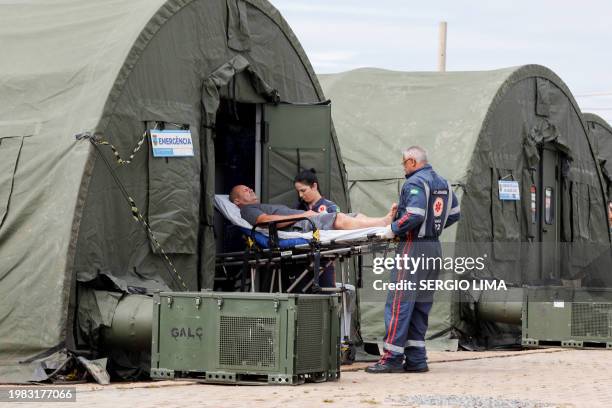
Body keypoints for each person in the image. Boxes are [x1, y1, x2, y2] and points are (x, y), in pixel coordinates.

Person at [366, 146, 460, 374]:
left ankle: (391, 358)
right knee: (421, 303)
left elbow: (415, 214)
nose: (403, 168)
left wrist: (392, 229)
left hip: (412, 248)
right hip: (434, 248)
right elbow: (455, 213)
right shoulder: (444, 183)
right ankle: (417, 359)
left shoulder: (415, 182)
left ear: (411, 162)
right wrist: (432, 227)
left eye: (403, 163)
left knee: (400, 302)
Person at [229, 185, 396, 232]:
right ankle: (382, 224)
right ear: (237, 201)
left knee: (354, 215)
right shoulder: (247, 210)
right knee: (338, 219)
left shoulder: (259, 205)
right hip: (299, 224)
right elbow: (264, 221)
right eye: (245, 190)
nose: (250, 189)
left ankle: (382, 221)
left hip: (305, 218)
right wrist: (302, 216)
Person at [294, 169, 339, 287]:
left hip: (324, 262)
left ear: (314, 186)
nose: (300, 195)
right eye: (298, 191)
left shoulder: (330, 207)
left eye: (303, 190)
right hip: (300, 261)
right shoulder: (298, 208)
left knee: (325, 297)